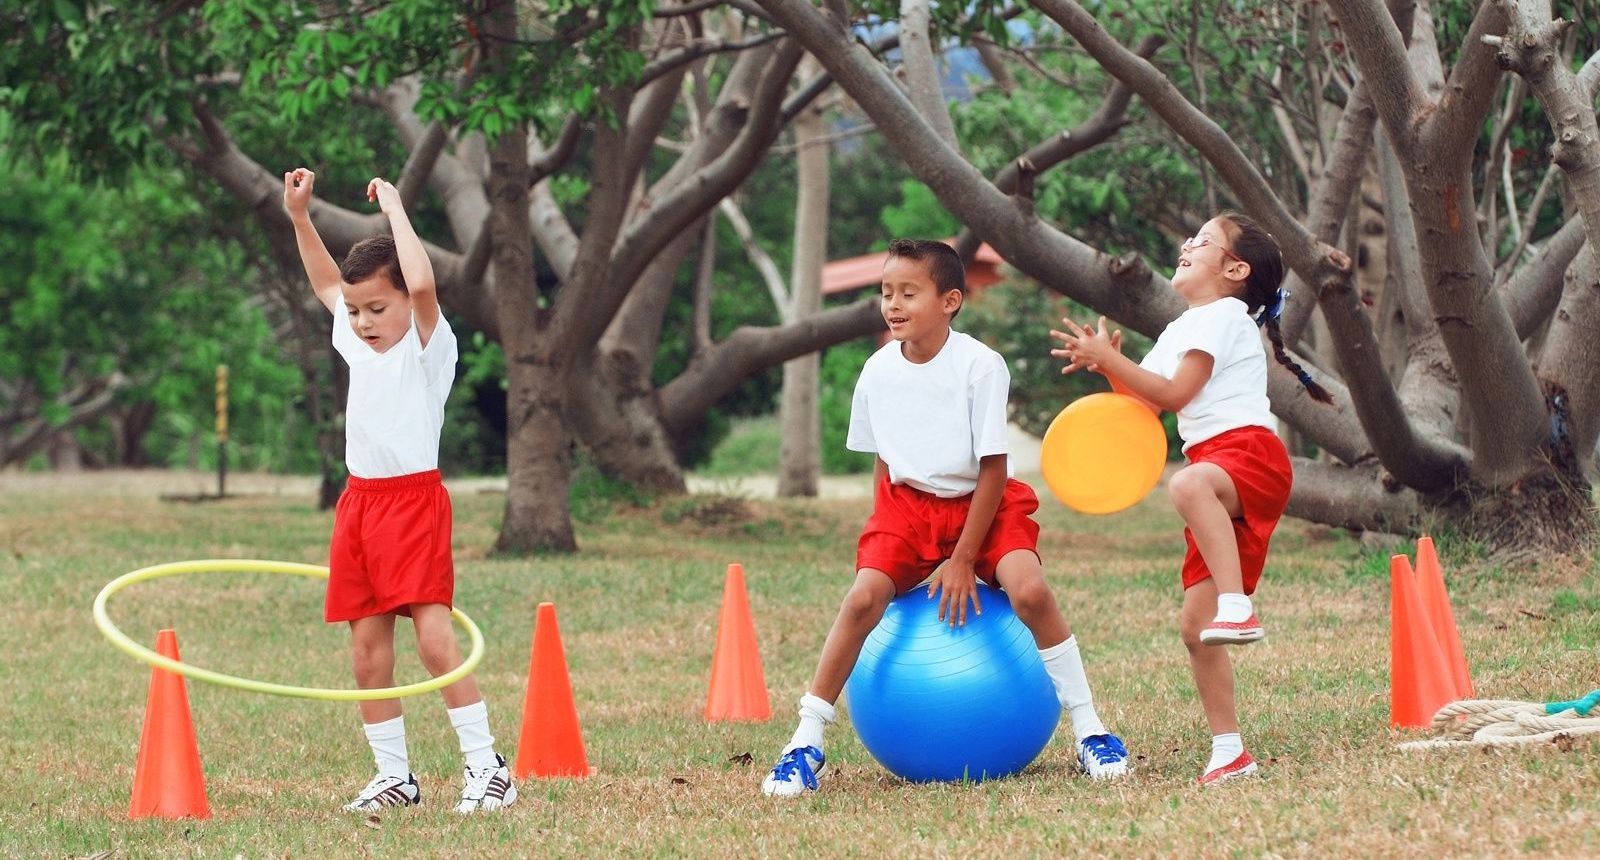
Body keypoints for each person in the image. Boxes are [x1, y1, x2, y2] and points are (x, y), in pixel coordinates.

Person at [762, 238, 1129, 797]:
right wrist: (885, 537)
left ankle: (1090, 730)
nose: (894, 304)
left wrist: (961, 558)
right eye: (886, 292)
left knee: (1029, 591)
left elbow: (993, 469)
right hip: (907, 508)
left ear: (950, 300)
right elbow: (883, 460)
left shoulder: (981, 366)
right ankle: (805, 743)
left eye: (909, 292)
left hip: (985, 501)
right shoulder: (878, 370)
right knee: (862, 598)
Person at [1050, 211, 1332, 785]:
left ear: (1235, 270)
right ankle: (1230, 752)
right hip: (1214, 469)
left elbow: (1179, 393)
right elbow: (1146, 403)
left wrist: (1112, 360)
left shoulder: (1225, 316)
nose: (1185, 243)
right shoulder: (1182, 328)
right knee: (1194, 626)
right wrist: (1109, 366)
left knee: (1185, 484)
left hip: (1247, 456)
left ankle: (1240, 604)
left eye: (1201, 241)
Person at [283, 168, 516, 813]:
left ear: (406, 310)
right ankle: (396, 776)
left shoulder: (425, 347)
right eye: (356, 312)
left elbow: (419, 282)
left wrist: (393, 209)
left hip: (412, 503)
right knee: (365, 650)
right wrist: (301, 217)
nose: (362, 321)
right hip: (359, 503)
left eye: (375, 309)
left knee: (435, 639)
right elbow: (329, 282)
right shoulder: (358, 346)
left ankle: (487, 767)